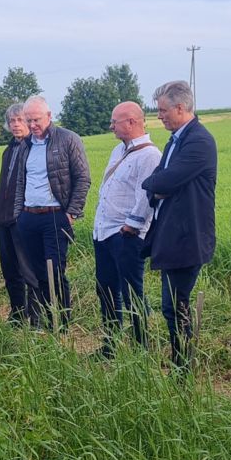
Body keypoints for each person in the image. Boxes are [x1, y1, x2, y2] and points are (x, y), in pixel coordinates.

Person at [143, 80, 216, 370]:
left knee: (176, 305)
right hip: (171, 235)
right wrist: (155, 186)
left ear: (180, 108)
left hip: (188, 237)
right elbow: (157, 181)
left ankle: (183, 367)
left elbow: (165, 180)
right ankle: (179, 360)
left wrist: (156, 185)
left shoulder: (199, 140)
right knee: (171, 305)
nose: (159, 115)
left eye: (162, 110)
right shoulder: (176, 139)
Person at [12, 95, 91, 328]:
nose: (32, 125)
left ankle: (62, 323)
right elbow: (19, 182)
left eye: (36, 120)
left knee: (55, 271)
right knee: (36, 273)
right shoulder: (24, 146)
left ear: (49, 116)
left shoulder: (68, 139)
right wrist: (19, 215)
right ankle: (46, 320)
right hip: (28, 217)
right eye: (28, 120)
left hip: (55, 216)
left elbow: (83, 178)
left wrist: (72, 213)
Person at [92, 101, 162, 358]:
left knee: (132, 293)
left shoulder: (150, 155)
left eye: (115, 122)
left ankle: (141, 349)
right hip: (104, 232)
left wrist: (130, 227)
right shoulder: (117, 151)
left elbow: (145, 196)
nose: (111, 126)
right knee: (106, 289)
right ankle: (110, 344)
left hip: (125, 236)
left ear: (131, 122)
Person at [0, 102, 40, 325]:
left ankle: (34, 318)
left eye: (20, 120)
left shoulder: (34, 148)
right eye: (12, 121)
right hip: (3, 218)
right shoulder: (9, 149)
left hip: (22, 217)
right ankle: (17, 314)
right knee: (10, 270)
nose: (15, 125)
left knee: (29, 271)